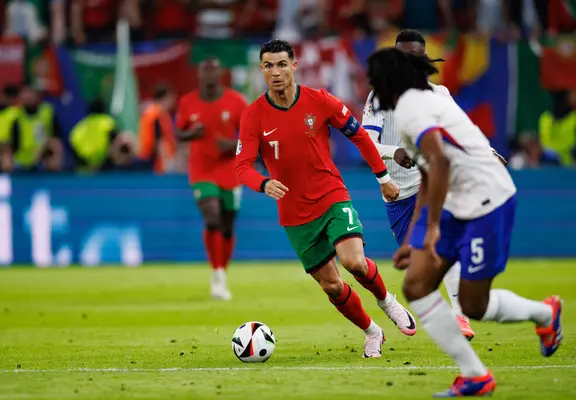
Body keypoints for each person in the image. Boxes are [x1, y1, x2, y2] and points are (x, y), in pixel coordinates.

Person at [366, 47, 563, 396]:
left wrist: (430, 230)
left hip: (487, 199)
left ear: (388, 80)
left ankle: (546, 314)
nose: (372, 87)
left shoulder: (412, 107)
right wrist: (415, 236)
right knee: (415, 285)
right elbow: (430, 170)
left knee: (475, 304)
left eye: (375, 80)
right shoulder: (416, 102)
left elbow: (438, 163)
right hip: (460, 197)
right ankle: (475, 375)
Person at [235, 39, 416, 359]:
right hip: (294, 213)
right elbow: (243, 167)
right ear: (261, 70)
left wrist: (383, 178)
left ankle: (387, 300)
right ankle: (372, 332)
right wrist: (263, 184)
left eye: (281, 64)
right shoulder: (253, 116)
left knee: (353, 261)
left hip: (331, 197)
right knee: (332, 286)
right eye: (268, 66)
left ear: (294, 66)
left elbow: (359, 135)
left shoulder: (320, 101)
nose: (275, 72)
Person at [362, 29, 475, 341]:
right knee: (418, 269)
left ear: (423, 58)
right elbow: (366, 142)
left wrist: (489, 152)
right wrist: (393, 152)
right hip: (398, 195)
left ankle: (460, 316)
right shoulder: (380, 96)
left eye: (414, 57)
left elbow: (462, 132)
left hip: (431, 184)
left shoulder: (439, 95)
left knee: (441, 248)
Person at [176, 58, 248, 301]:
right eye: (204, 72)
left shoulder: (236, 101)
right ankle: (216, 273)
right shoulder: (187, 102)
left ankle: (221, 271)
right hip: (201, 170)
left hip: (230, 169)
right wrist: (189, 134)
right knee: (213, 217)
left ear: (220, 75)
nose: (208, 77)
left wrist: (233, 144)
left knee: (227, 225)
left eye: (212, 72)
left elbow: (252, 137)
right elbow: (178, 133)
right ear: (199, 76)